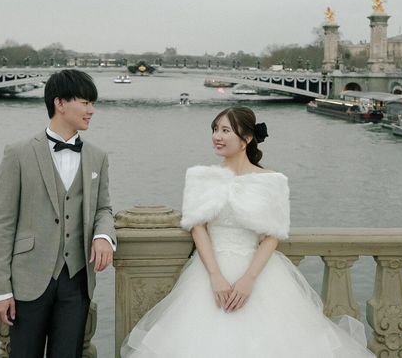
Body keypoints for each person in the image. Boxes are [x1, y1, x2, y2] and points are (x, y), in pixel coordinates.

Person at [121, 106, 374, 357]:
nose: (217, 136)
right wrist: (215, 276)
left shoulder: (272, 180)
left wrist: (249, 279)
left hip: (259, 273)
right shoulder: (202, 177)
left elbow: (272, 235)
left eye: (225, 130)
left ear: (247, 138)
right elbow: (198, 229)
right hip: (209, 272)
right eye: (215, 130)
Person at [0, 69, 116, 358]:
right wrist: (1, 289)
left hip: (77, 281)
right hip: (28, 280)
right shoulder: (18, 153)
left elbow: (104, 208)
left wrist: (104, 236)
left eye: (92, 103)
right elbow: (2, 223)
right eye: (85, 102)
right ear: (60, 103)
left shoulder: (97, 156)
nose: (91, 110)